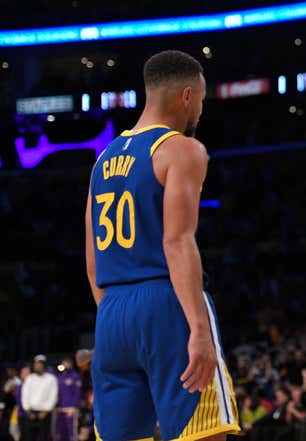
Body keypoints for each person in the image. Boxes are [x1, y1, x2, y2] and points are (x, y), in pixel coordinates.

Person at [84, 50, 239, 441]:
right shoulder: (182, 149)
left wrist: (119, 315)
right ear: (186, 96)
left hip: (112, 313)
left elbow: (91, 259)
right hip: (166, 303)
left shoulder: (101, 160)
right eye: (201, 100)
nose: (200, 111)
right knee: (203, 433)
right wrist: (198, 329)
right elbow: (177, 241)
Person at [22, 355, 58, 441]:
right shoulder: (30, 378)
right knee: (29, 436)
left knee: (44, 436)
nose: (38, 366)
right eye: (36, 365)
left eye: (40, 365)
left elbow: (53, 396)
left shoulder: (51, 379)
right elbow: (25, 395)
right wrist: (28, 411)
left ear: (44, 366)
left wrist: (46, 410)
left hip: (44, 413)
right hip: (31, 413)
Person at [54, 357, 82, 441]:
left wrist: (74, 406)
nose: (65, 365)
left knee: (71, 433)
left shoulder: (75, 376)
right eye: (63, 363)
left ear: (71, 364)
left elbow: (77, 393)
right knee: (59, 432)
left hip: (70, 409)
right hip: (59, 409)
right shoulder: (59, 376)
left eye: (67, 363)